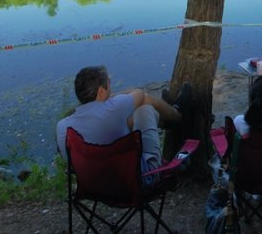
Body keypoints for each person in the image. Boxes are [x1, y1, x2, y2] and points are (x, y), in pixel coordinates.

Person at [55, 65, 192, 172]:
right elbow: (140, 94)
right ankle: (177, 115)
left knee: (126, 121)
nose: (110, 84)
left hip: (92, 187)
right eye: (109, 82)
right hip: (136, 181)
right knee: (145, 108)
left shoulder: (62, 126)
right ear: (101, 91)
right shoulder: (113, 108)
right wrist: (111, 97)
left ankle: (166, 119)